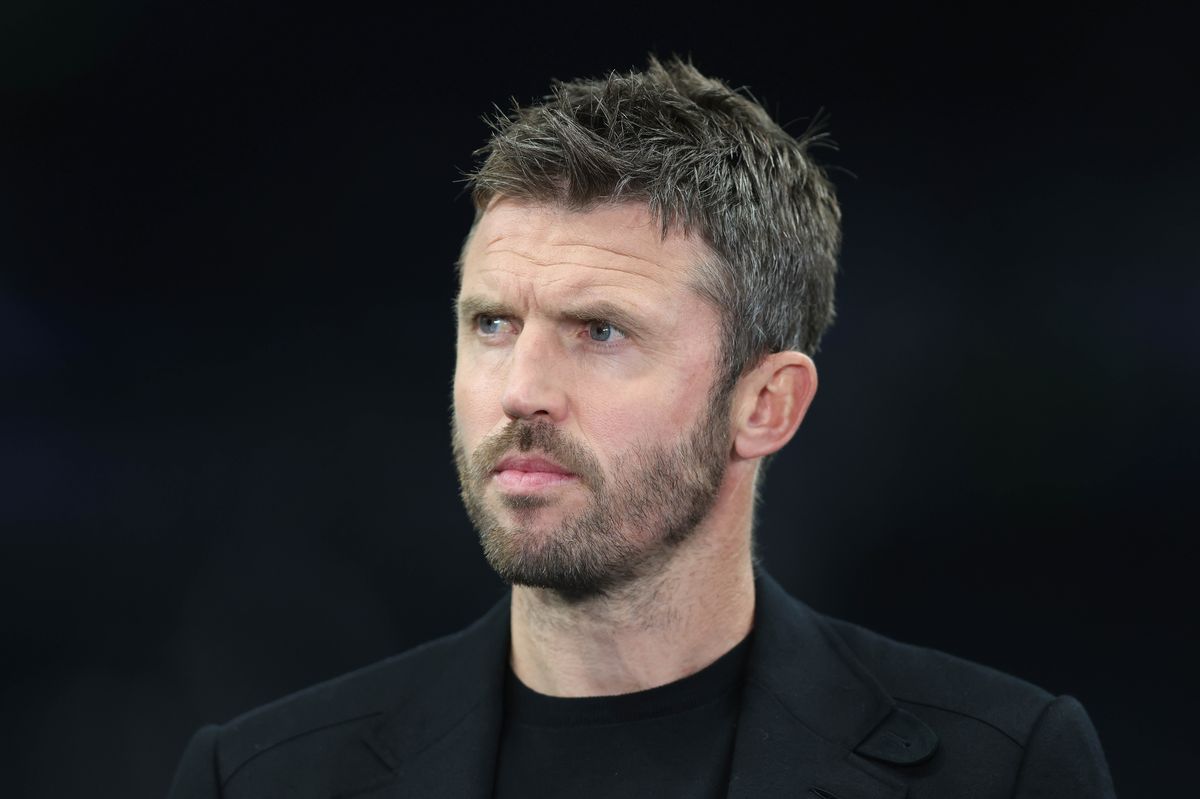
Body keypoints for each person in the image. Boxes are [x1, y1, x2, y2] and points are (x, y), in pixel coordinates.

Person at [167, 57, 1116, 798]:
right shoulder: (260, 779)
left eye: (601, 331)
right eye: (493, 323)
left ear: (765, 405)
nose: (522, 388)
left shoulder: (1000, 771)